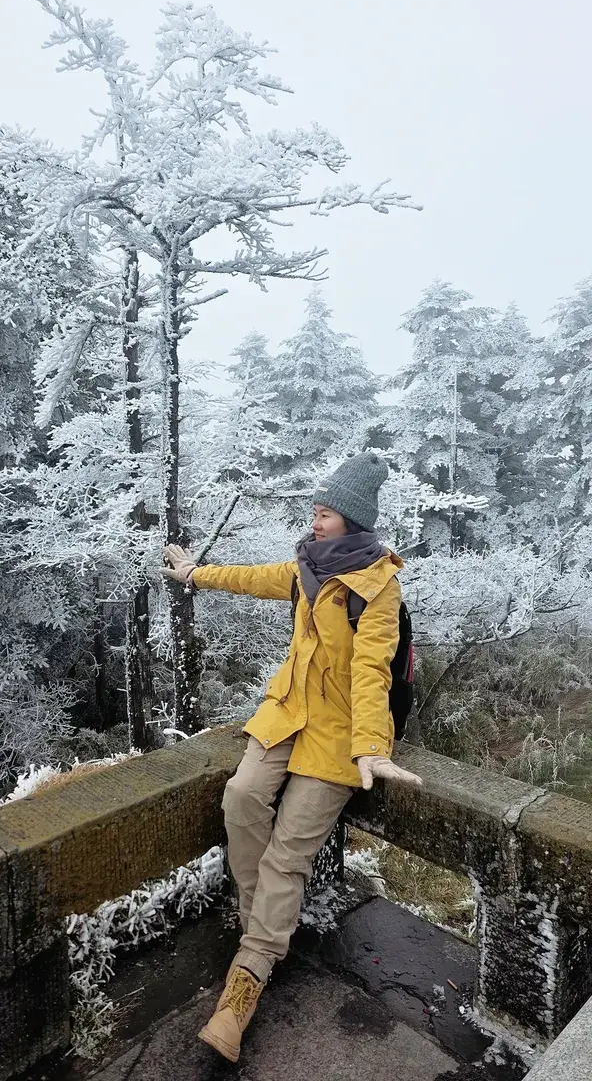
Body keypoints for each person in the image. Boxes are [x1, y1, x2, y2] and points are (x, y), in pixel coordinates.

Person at [163, 451, 422, 1063]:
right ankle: (268, 931)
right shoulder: (308, 565)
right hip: (286, 714)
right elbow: (256, 577)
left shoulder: (376, 587)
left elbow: (371, 671)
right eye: (316, 508)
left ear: (354, 521)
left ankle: (244, 984)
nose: (316, 518)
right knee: (242, 796)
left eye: (326, 512)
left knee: (287, 856)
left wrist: (370, 748)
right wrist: (196, 574)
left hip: (336, 735)